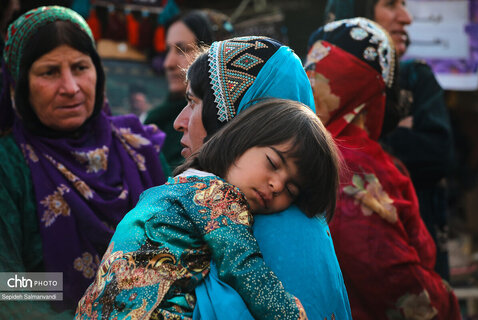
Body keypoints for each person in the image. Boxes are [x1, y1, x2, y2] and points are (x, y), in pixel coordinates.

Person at [76, 98, 341, 319]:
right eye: (273, 163)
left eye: (291, 190)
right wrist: (290, 314)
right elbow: (243, 267)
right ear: (243, 140)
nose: (276, 184)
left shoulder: (179, 185)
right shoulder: (216, 196)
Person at [0, 6, 168, 317]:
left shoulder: (141, 150)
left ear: (98, 72)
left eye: (80, 67)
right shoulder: (9, 165)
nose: (71, 88)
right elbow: (5, 284)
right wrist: (66, 290)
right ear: (20, 84)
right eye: (49, 72)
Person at [174, 36, 352, 319]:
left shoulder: (275, 229)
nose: (179, 121)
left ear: (238, 125)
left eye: (194, 103)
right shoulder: (201, 205)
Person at [305, 17, 461, 319]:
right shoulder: (352, 168)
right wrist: (443, 298)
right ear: (374, 92)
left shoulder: (309, 152)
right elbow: (400, 288)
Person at [145, 9, 233, 171]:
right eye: (167, 51)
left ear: (212, 55)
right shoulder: (157, 121)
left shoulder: (227, 128)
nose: (168, 63)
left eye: (183, 49)